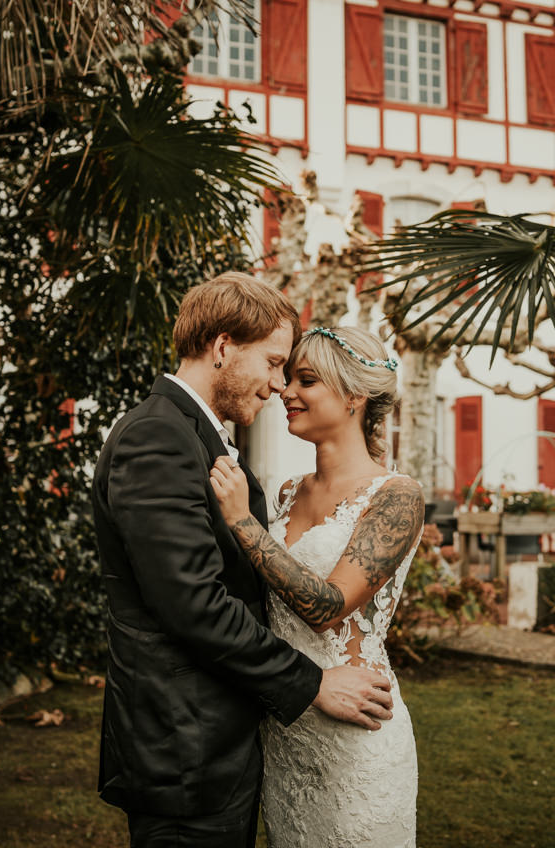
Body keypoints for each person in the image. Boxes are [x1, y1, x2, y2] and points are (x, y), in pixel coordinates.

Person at [92, 273, 396, 848]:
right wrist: (312, 684)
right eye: (275, 363)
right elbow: (193, 604)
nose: (279, 385)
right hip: (184, 745)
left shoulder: (195, 437)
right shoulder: (157, 437)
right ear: (224, 347)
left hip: (215, 739)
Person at [208, 325, 423, 848]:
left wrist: (243, 523)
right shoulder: (282, 493)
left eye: (306, 380)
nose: (285, 390)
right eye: (287, 378)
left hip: (357, 734)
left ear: (353, 397)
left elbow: (326, 606)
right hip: (287, 729)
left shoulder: (396, 496)